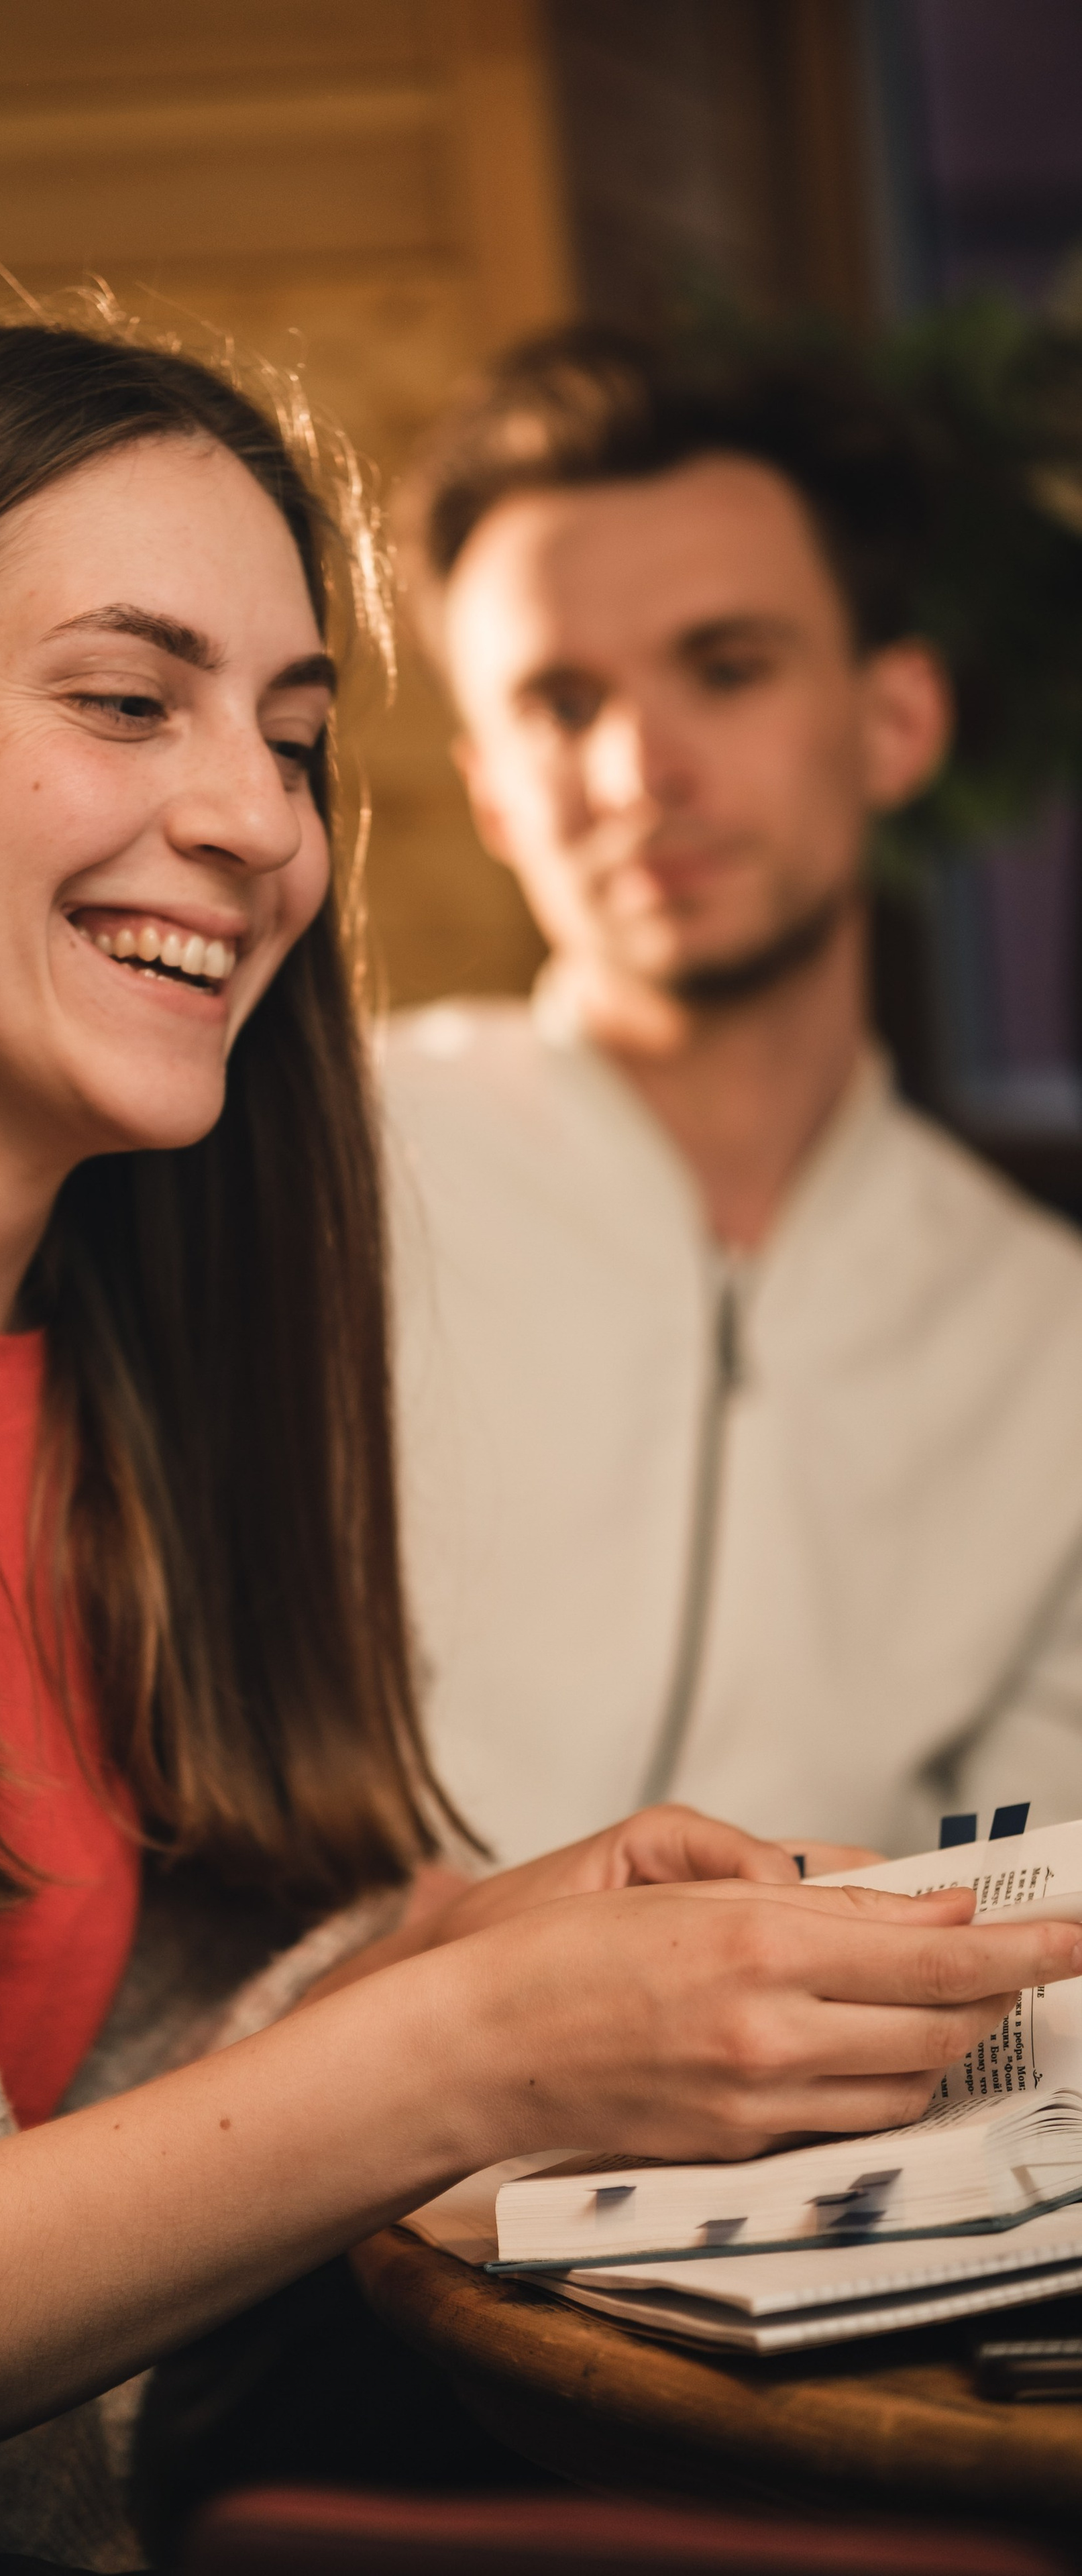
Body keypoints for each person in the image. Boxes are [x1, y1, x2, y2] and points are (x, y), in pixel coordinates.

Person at [0, 313, 1082, 2567]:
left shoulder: (163, 1307)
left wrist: (443, 1958)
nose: (251, 817)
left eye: (296, 738)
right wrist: (463, 2041)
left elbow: (92, 2067)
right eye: (128, 699)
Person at [385, 321, 1082, 1869]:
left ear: (895, 720)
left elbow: (1024, 1906)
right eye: (560, 702)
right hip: (344, 2102)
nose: (638, 769)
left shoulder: (1051, 1346)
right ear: (492, 788)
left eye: (725, 669)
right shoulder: (318, 1175)